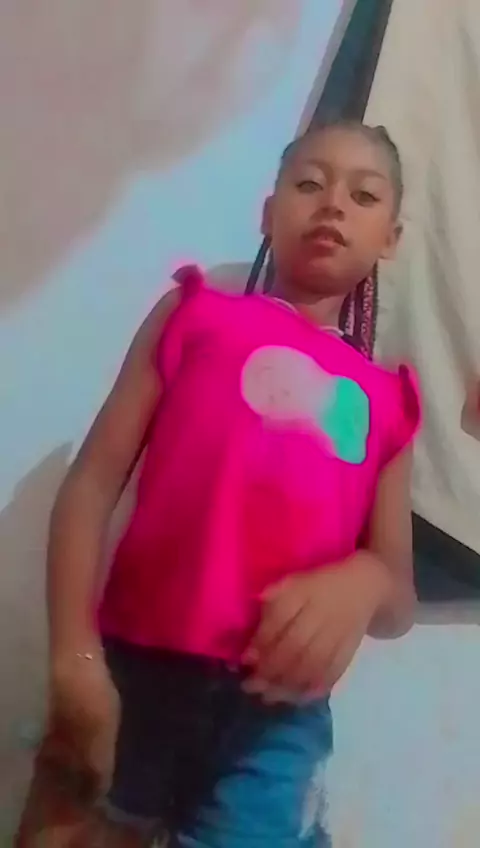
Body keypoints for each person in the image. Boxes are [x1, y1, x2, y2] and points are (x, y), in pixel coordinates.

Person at [16, 121, 420, 847]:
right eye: (309, 184)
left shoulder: (389, 401)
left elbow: (397, 602)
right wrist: (74, 656)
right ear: (268, 213)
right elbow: (91, 487)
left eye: (363, 196)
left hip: (278, 724)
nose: (332, 203)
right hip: (132, 674)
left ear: (390, 238)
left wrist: (364, 580)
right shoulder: (194, 314)